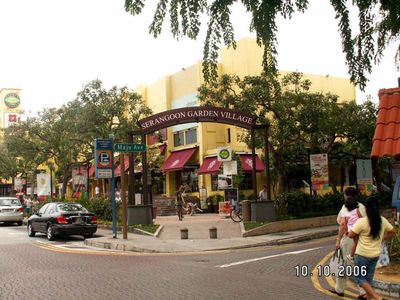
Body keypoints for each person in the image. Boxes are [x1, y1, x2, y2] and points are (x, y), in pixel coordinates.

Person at [349, 197, 396, 300]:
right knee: (368, 279)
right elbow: (393, 231)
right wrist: (383, 238)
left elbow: (351, 234)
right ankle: (366, 297)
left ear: (366, 208)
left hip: (362, 255)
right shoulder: (382, 220)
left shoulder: (362, 222)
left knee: (359, 278)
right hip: (375, 255)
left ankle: (377, 298)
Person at [330, 187, 366, 298]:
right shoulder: (362, 206)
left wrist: (338, 240)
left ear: (346, 195)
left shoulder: (346, 207)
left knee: (344, 264)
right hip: (361, 238)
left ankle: (359, 291)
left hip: (348, 238)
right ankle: (340, 288)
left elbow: (342, 225)